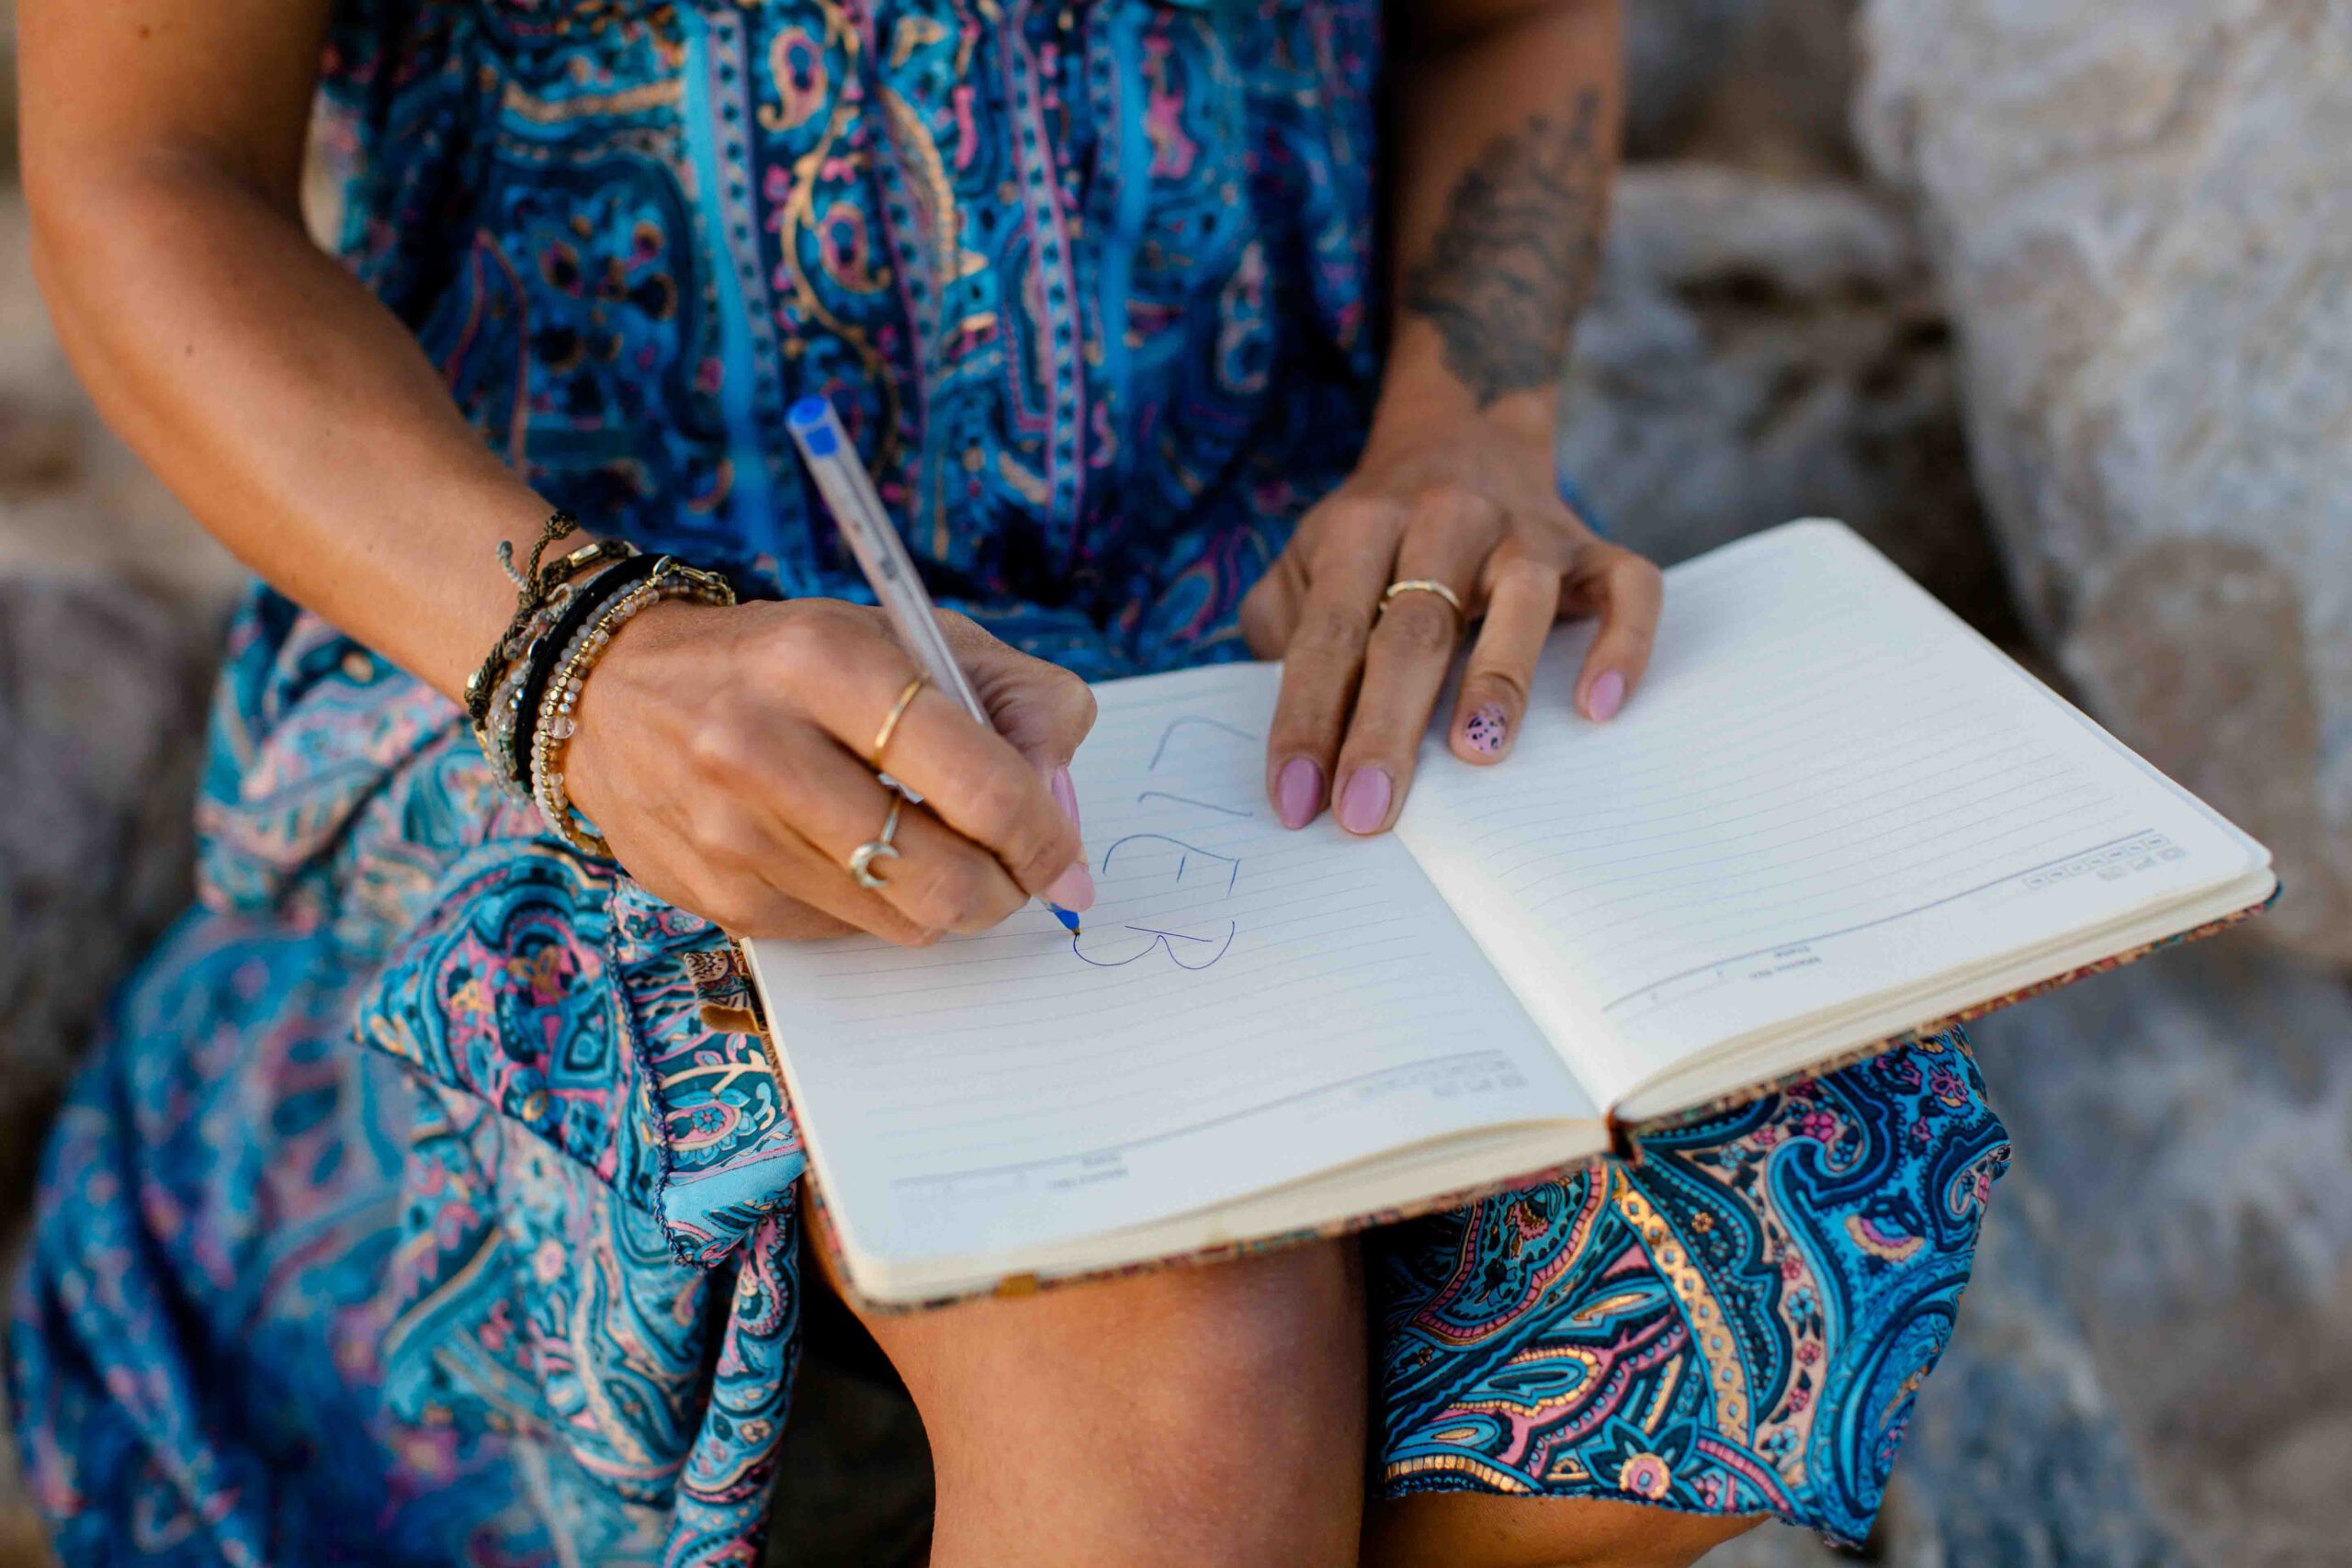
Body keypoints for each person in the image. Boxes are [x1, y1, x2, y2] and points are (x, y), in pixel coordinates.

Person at [6, 0, 2010, 1562]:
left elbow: (1501, 19)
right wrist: (580, 652)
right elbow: (145, 165)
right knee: (1169, 1333)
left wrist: (1463, 437)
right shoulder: (580, 639)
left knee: (1802, 1181)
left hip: (1269, 618)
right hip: (578, 618)